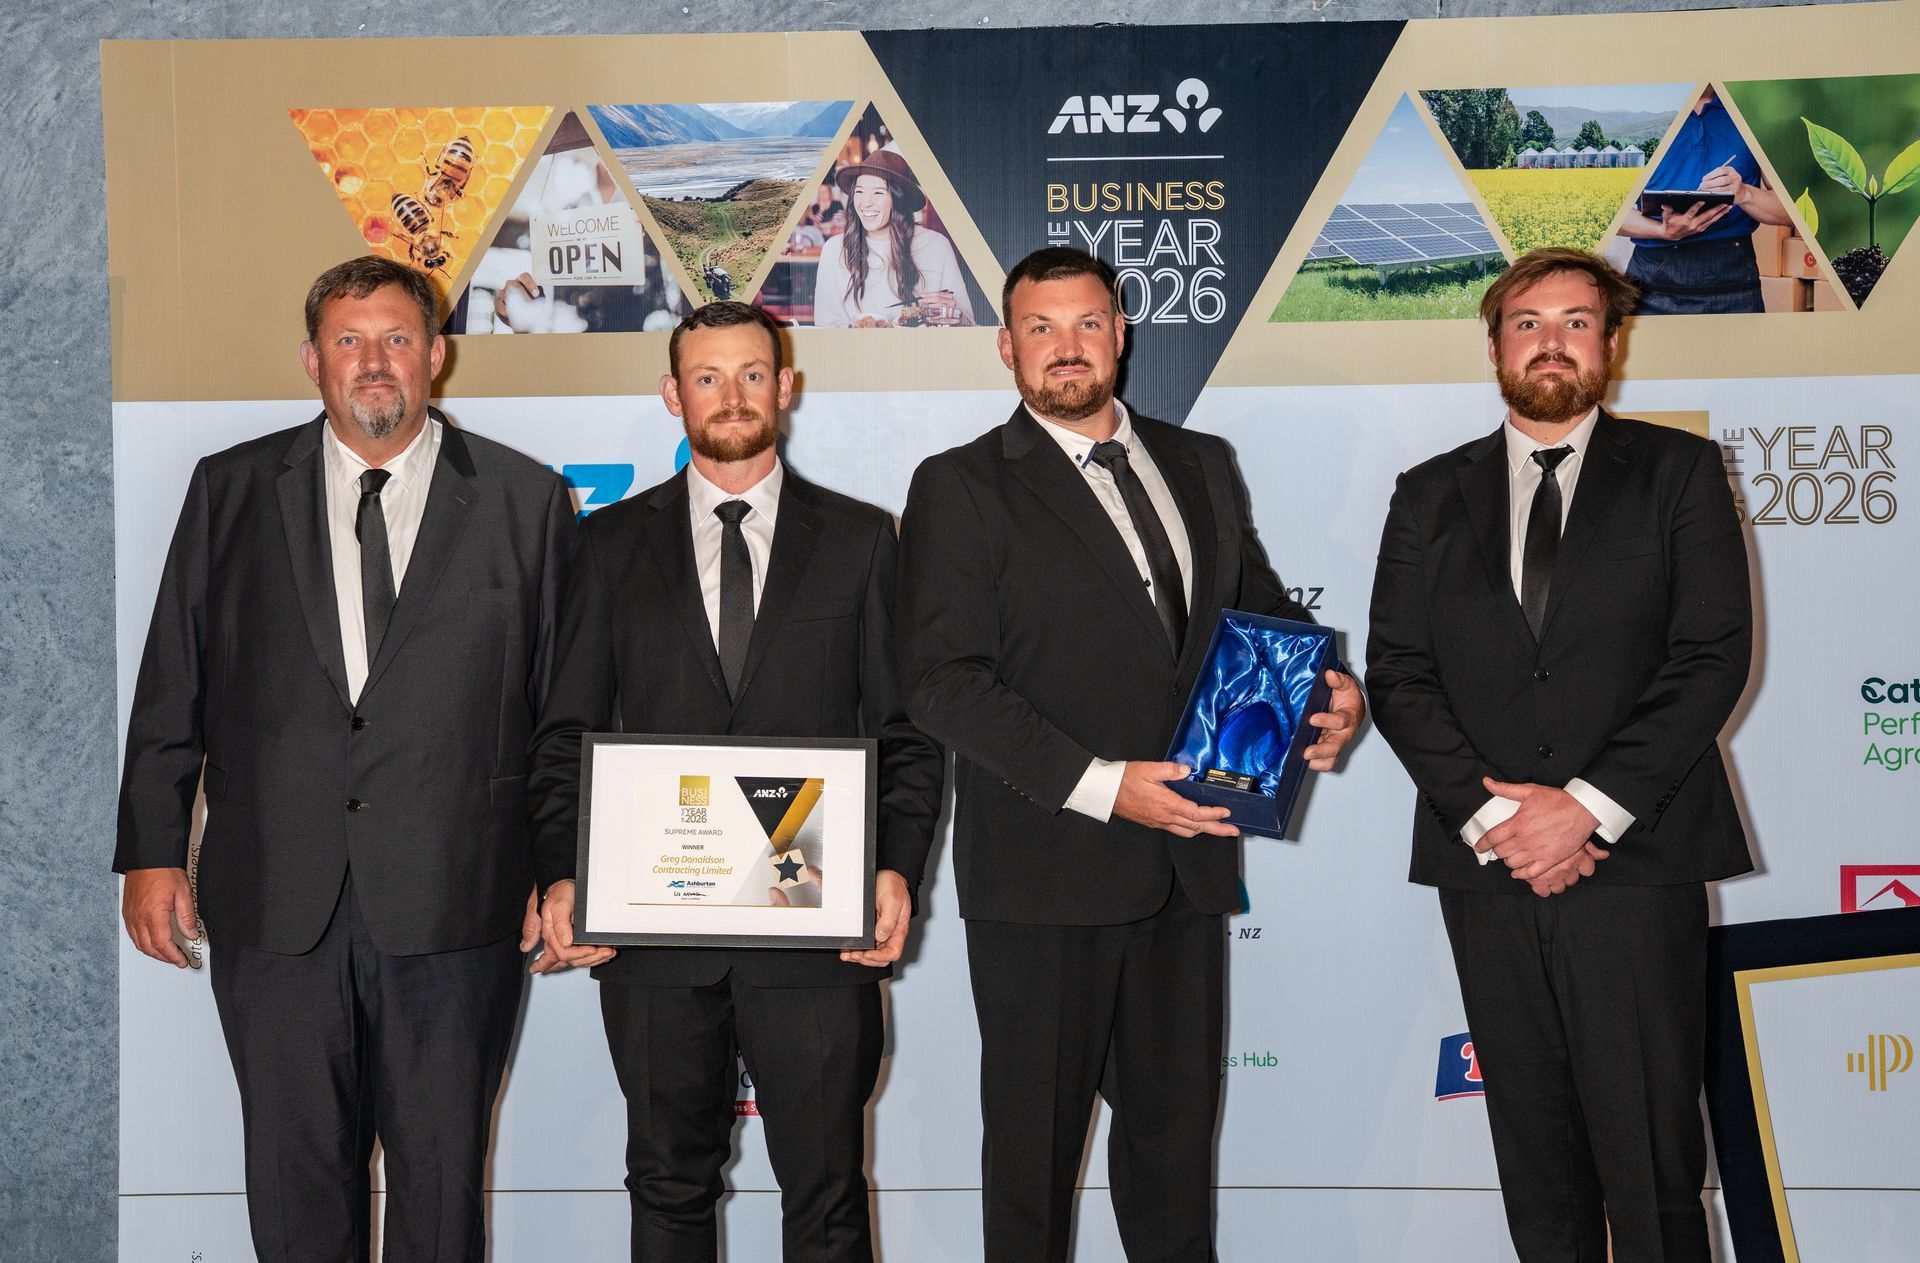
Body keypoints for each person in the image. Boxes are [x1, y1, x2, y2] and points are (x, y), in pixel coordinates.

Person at [896, 246, 1364, 1263]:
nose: (1066, 347)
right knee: (1033, 1174)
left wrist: (1329, 686)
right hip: (1043, 881)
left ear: (1121, 332)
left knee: (1173, 1172)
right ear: (1007, 347)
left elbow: (1257, 612)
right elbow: (942, 682)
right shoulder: (960, 485)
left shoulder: (1200, 463)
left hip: (1186, 872)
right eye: (1041, 328)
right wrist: (1107, 790)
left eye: (1087, 323)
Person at [114, 255, 576, 1262]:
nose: (374, 362)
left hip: (457, 901)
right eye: (349, 341)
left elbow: (560, 716)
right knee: (295, 1187)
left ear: (436, 356)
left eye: (397, 339)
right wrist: (151, 851)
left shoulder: (525, 500)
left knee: (440, 1192)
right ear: (312, 360)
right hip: (276, 900)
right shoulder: (232, 490)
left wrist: (562, 869)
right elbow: (172, 683)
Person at [526, 301, 944, 1262]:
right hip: (654, 937)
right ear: (671, 394)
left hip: (816, 928)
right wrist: (561, 873)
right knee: (667, 1189)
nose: (732, 395)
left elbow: (906, 733)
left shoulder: (861, 540)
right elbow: (565, 734)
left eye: (753, 373)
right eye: (707, 377)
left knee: (828, 1193)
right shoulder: (605, 545)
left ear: (786, 386)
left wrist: (895, 867)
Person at [1365, 247, 1753, 1262]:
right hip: (1490, 871)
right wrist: (1499, 820)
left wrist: (1583, 806)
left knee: (1655, 1169)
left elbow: (1711, 655)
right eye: (1528, 322)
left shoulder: (1677, 473)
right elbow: (1397, 672)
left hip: (1636, 864)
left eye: (1577, 322)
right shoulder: (1426, 494)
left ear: (1611, 345)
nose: (1552, 342)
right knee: (1537, 1169)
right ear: (1496, 345)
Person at [1617, 85, 1793, 314]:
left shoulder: (1755, 112)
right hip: (1650, 282)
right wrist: (1661, 230)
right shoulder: (1640, 110)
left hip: (1735, 280)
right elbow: (1604, 214)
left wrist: (1744, 193)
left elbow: (1792, 212)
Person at [811, 147, 974, 328]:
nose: (866, 202)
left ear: (898, 199)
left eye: (878, 192)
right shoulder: (834, 250)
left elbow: (969, 324)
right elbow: (826, 327)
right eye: (859, 191)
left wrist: (953, 314)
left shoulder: (937, 246)